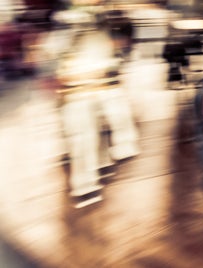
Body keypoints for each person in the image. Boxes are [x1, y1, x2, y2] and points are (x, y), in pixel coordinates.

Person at [54, 2, 140, 208]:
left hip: (94, 76)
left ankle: (100, 164)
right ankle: (85, 183)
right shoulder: (72, 22)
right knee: (83, 133)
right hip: (79, 82)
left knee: (97, 126)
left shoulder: (100, 22)